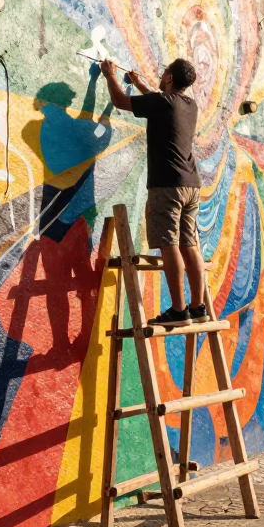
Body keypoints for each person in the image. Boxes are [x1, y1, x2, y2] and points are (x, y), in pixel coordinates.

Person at [100, 56, 205, 327]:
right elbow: (160, 101)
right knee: (188, 243)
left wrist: (109, 75)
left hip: (167, 185)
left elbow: (121, 102)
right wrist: (140, 84)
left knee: (169, 244)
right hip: (191, 185)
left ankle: (179, 312)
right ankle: (198, 306)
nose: (162, 75)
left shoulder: (162, 103)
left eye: (165, 72)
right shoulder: (189, 106)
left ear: (169, 78)